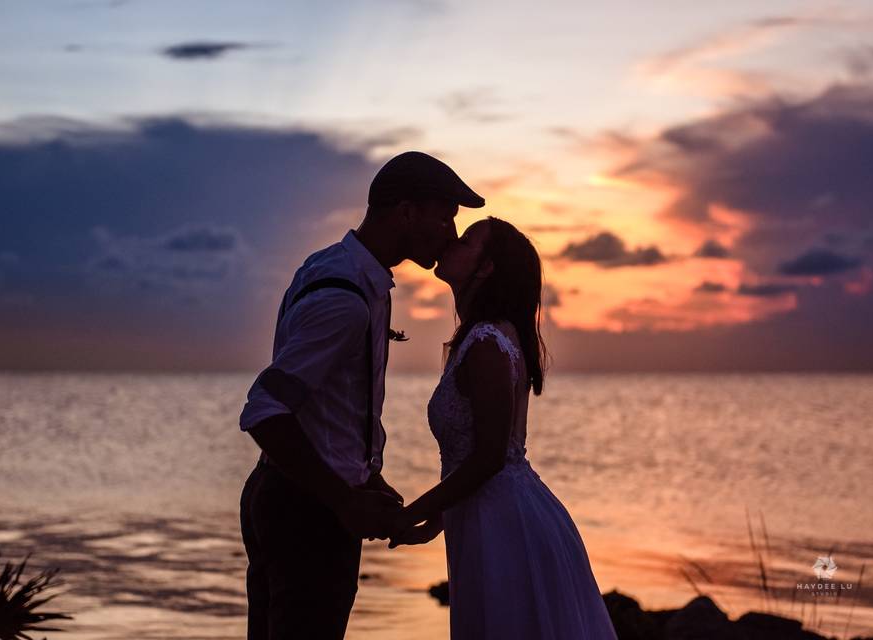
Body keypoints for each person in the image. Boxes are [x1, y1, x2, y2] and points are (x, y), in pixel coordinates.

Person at [238, 151, 485, 640]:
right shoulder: (345, 298)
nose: (450, 234)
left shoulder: (342, 272)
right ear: (406, 212)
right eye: (444, 217)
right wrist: (342, 501)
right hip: (305, 512)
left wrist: (367, 481)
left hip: (291, 497)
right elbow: (265, 409)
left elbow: (329, 409)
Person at [389, 217, 617, 639]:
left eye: (469, 239)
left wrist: (411, 513)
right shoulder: (483, 337)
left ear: (487, 267)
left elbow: (491, 456)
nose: (453, 241)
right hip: (483, 514)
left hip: (502, 524)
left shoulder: (487, 344)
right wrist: (440, 515)